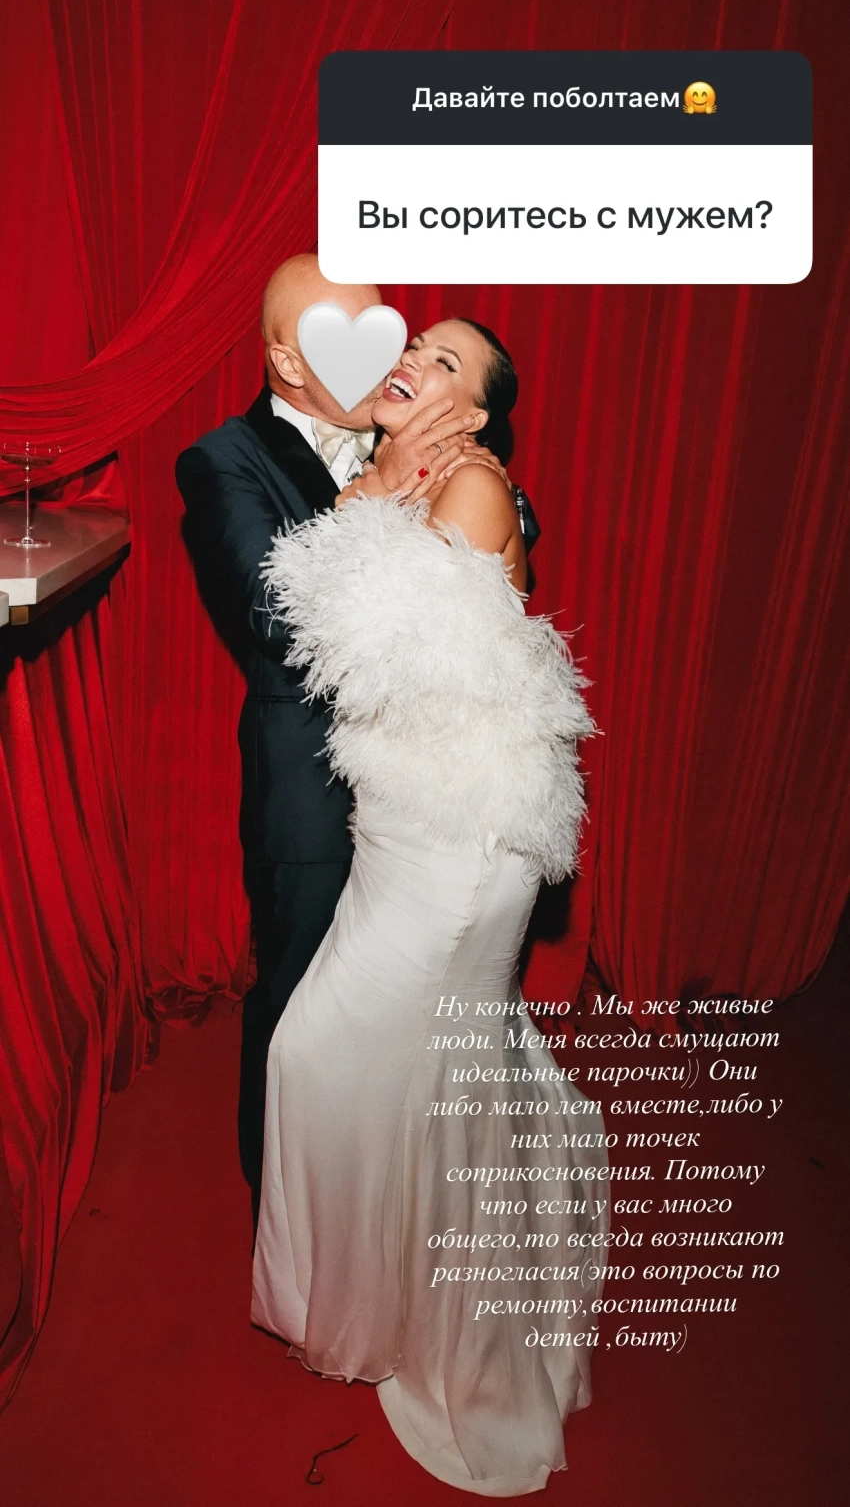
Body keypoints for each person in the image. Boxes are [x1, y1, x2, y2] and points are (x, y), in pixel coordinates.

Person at [251, 319, 608, 1495]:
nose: (412, 356)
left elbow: (361, 653)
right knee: (395, 1070)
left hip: (460, 852)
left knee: (337, 1056)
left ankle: (450, 1326)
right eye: (416, 343)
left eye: (447, 362)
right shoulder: (413, 480)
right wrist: (376, 485)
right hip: (401, 832)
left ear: (480, 415)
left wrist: (371, 493)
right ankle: (386, 1289)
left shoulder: (469, 491)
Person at [175, 257, 528, 1222]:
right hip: (310, 787)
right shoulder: (221, 459)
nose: (389, 357)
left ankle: (393, 1213)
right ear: (290, 361)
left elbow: (507, 533)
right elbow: (272, 615)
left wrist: (461, 473)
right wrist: (376, 486)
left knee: (407, 1027)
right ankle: (289, 1222)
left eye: (391, 332)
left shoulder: (417, 430)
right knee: (300, 1013)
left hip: (427, 796)